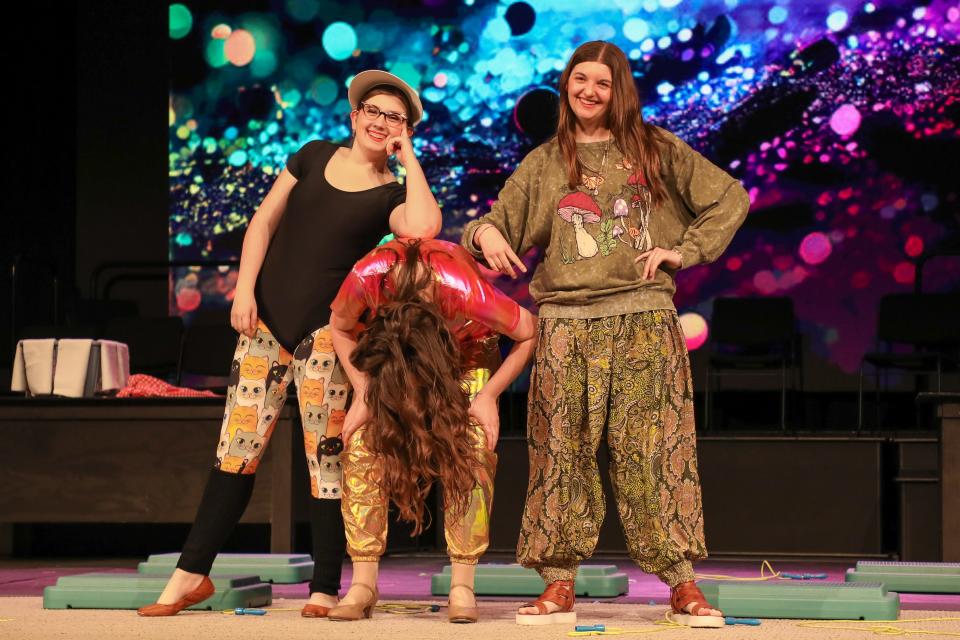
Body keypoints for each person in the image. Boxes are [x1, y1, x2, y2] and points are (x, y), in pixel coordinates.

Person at [461, 41, 749, 628]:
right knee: (560, 454)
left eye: (603, 83)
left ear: (621, 90)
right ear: (566, 86)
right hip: (566, 325)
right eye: (579, 79)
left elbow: (729, 197)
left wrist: (682, 252)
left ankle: (682, 585)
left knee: (657, 454)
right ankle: (559, 584)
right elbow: (492, 224)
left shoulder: (654, 147)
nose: (589, 91)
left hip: (643, 320)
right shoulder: (545, 163)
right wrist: (483, 234)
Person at [137, 70, 443, 617]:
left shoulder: (391, 193)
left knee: (324, 461)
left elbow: (421, 230)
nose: (380, 121)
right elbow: (262, 223)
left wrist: (410, 159)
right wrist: (243, 289)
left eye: (395, 117)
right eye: (373, 110)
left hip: (325, 338)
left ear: (406, 130)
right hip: (263, 328)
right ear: (353, 115)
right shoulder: (311, 155)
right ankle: (190, 575)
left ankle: (324, 585)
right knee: (236, 454)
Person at [325, 238, 537, 623]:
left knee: (473, 447)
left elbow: (528, 332)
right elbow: (338, 327)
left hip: (466, 359)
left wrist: (489, 395)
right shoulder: (367, 277)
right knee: (361, 443)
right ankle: (363, 582)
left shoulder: (464, 293)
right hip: (392, 361)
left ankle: (462, 583)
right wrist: (364, 390)